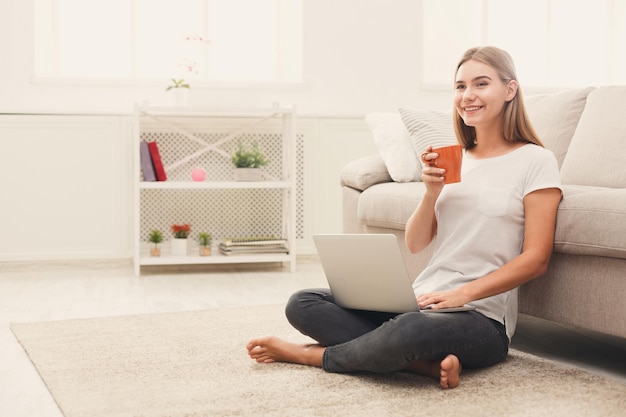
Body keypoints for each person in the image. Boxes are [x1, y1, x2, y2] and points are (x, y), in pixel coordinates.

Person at [246, 46, 562, 389]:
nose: (468, 96)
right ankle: (420, 366)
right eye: (460, 86)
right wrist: (430, 192)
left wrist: (463, 295)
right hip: (421, 299)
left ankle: (310, 355)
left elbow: (536, 259)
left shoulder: (536, 160)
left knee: (410, 330)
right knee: (304, 303)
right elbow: (416, 243)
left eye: (481, 84)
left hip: (480, 318)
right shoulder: (456, 157)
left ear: (510, 90)